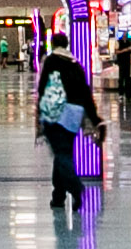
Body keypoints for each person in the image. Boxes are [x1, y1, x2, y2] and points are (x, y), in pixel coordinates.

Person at [35, 36, 104, 219]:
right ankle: (58, 196)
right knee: (63, 152)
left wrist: (39, 114)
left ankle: (75, 187)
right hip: (74, 113)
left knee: (61, 154)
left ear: (53, 44)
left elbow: (42, 87)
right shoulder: (75, 64)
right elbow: (85, 92)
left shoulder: (50, 61)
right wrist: (95, 118)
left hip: (54, 112)